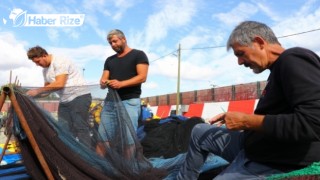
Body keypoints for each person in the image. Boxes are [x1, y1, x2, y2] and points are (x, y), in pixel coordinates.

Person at [177, 21, 320, 179]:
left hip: (275, 160)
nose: (239, 62)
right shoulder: (277, 70)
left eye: (240, 54)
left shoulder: (293, 59)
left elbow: (314, 122)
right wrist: (241, 118)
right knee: (199, 131)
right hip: (254, 144)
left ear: (259, 42)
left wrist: (246, 121)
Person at [26, 45, 92, 146]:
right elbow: (47, 90)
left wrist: (37, 91)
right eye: (35, 63)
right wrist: (33, 95)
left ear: (44, 55)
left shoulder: (60, 61)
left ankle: (87, 157)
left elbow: (59, 84)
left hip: (79, 97)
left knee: (80, 127)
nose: (37, 65)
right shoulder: (45, 71)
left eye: (38, 61)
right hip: (65, 100)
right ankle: (70, 153)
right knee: (63, 129)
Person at [96, 29, 149, 156]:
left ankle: (127, 170)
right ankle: (97, 168)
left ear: (123, 39)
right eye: (110, 43)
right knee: (102, 138)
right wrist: (103, 82)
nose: (113, 45)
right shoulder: (109, 60)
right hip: (109, 103)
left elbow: (142, 77)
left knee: (128, 140)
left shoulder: (139, 55)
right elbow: (103, 80)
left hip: (129, 102)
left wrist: (121, 84)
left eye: (115, 41)